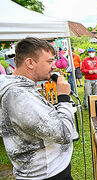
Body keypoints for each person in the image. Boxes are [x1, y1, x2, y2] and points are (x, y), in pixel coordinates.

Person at [0, 37, 76, 179]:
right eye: (49, 61)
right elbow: (65, 134)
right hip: (48, 174)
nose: (54, 66)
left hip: (47, 170)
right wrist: (64, 98)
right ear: (30, 63)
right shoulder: (19, 97)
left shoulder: (23, 89)